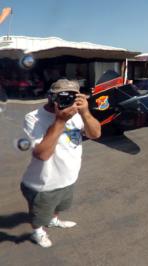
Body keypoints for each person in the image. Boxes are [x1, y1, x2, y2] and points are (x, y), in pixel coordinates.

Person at [20, 79, 101, 248]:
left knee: (59, 206)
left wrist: (85, 112)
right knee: (38, 216)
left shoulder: (77, 113)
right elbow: (42, 155)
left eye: (73, 96)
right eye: (62, 96)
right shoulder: (33, 118)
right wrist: (60, 120)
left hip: (69, 178)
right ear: (50, 96)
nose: (68, 100)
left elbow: (95, 134)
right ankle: (38, 232)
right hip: (44, 184)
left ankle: (53, 220)